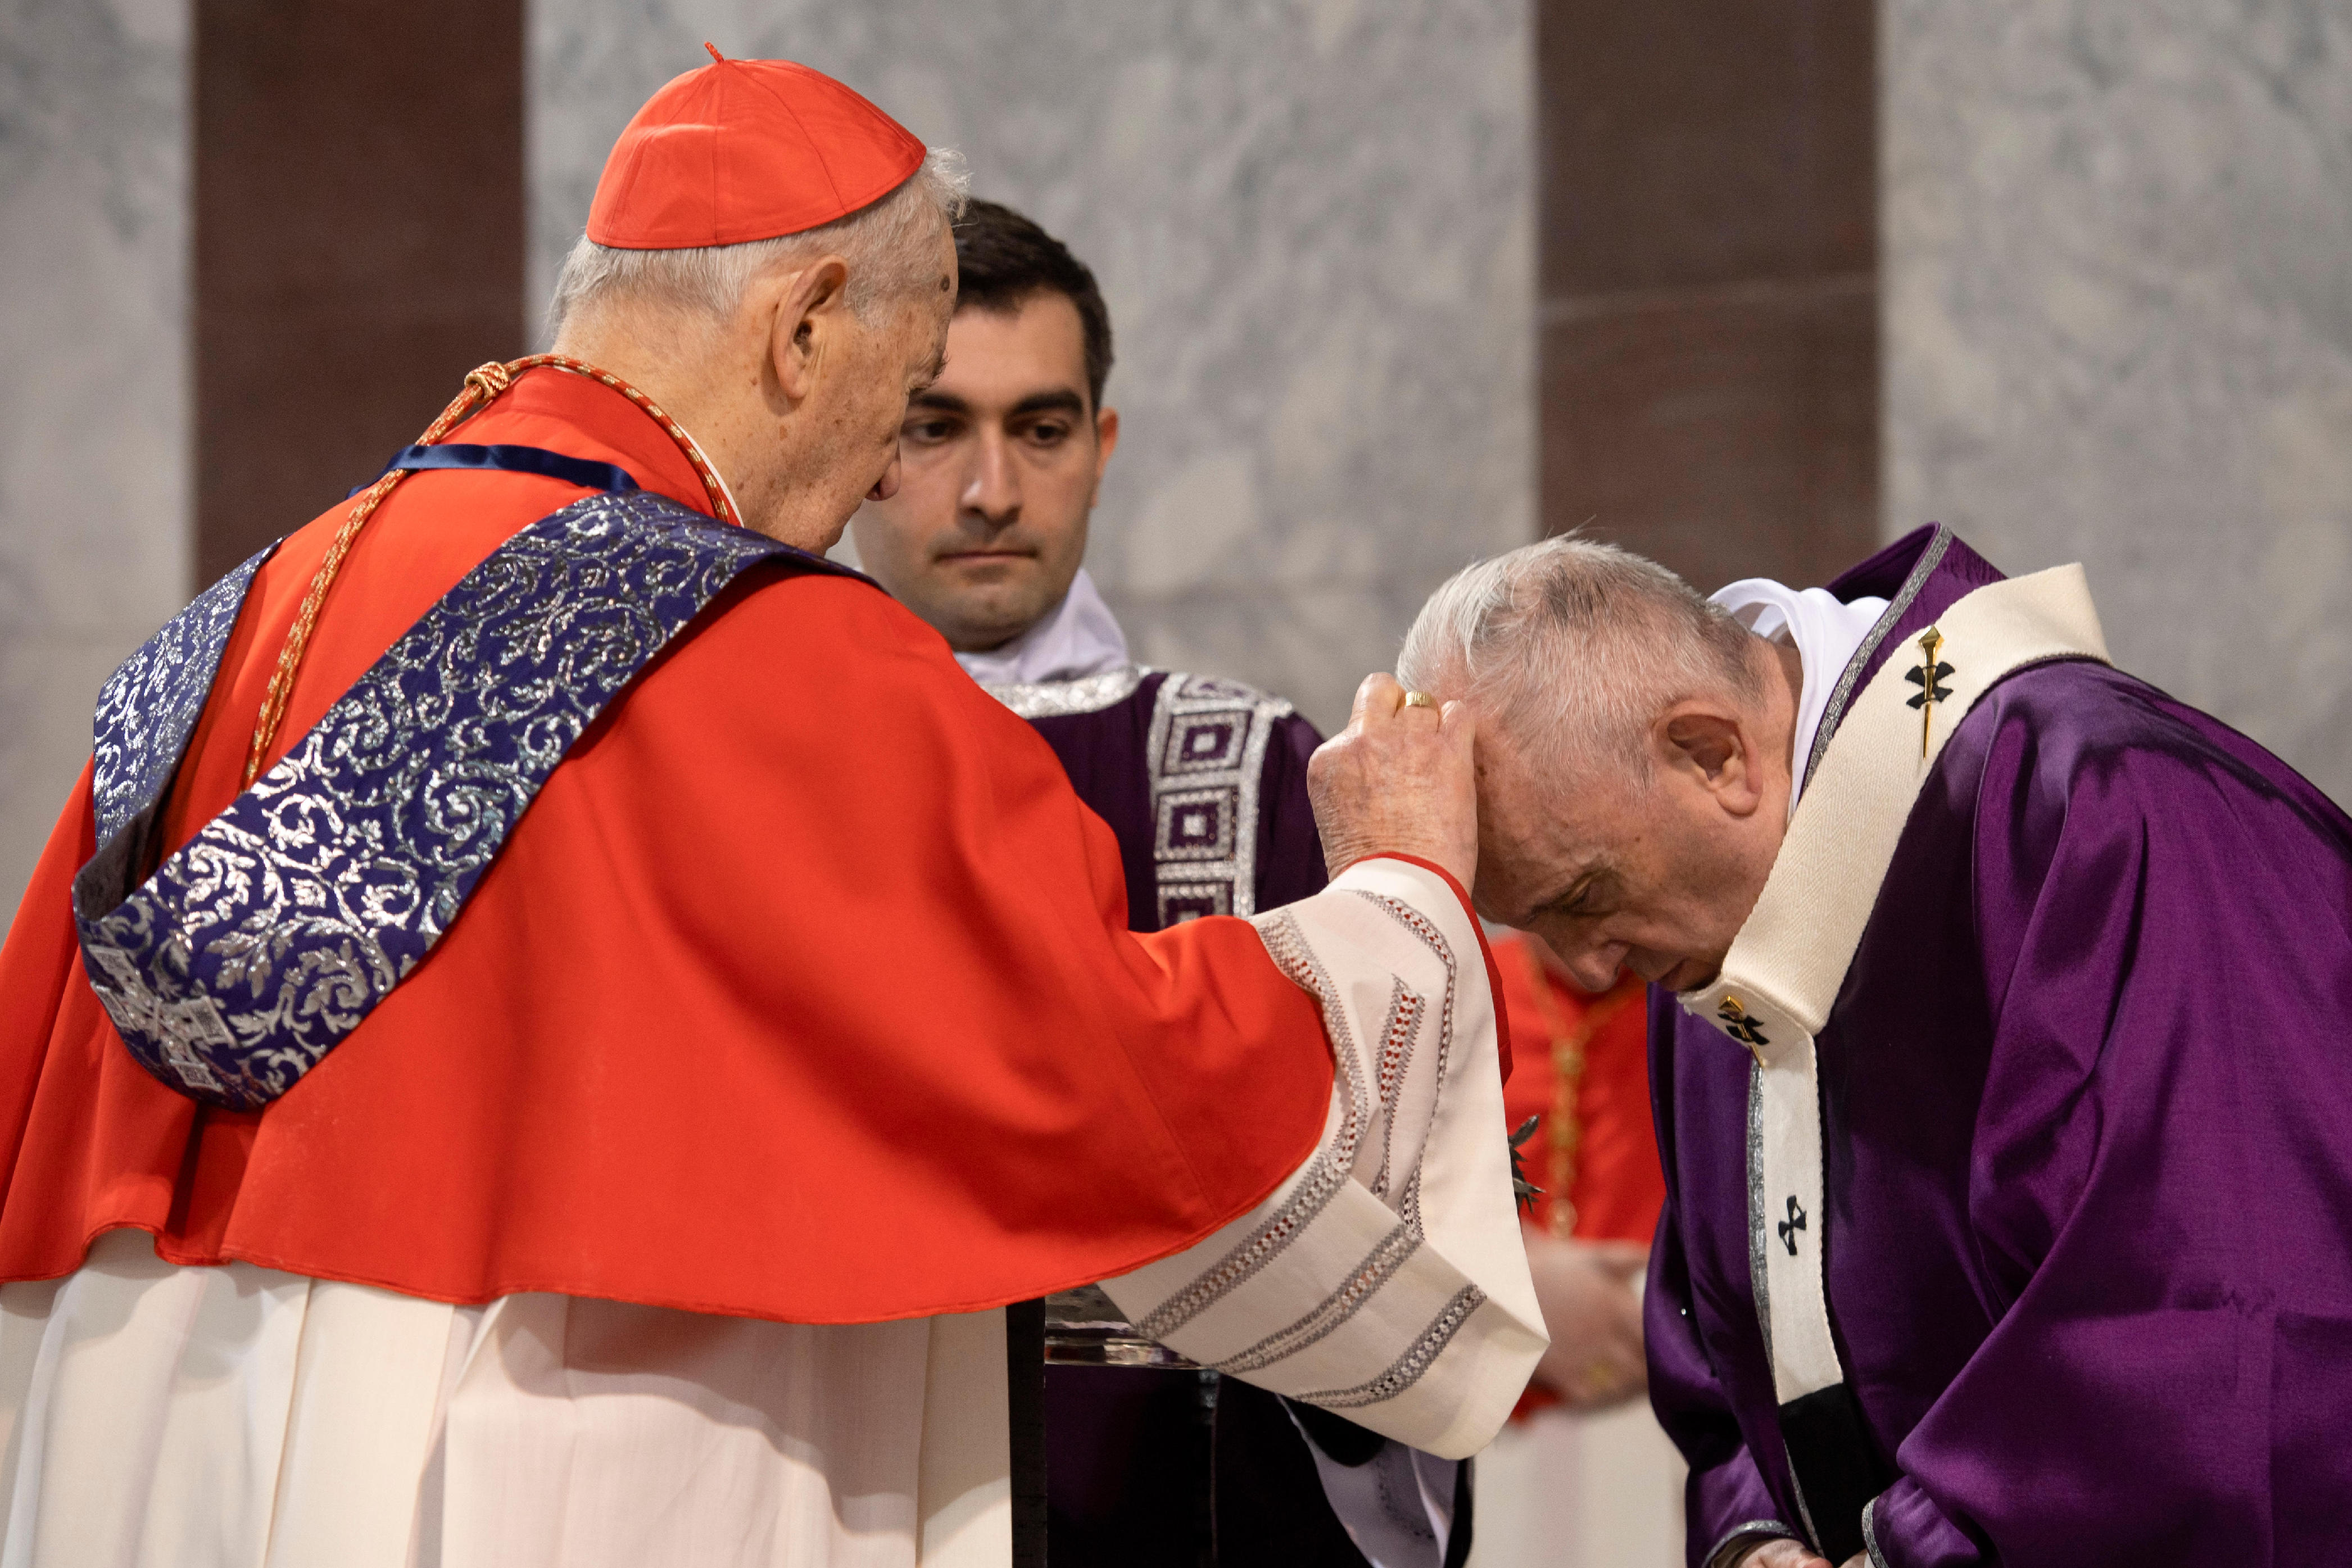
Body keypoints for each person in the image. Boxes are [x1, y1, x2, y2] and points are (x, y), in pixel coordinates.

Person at [0, 54, 1544, 1568]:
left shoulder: (245, 607)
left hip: (156, 1435)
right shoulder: (760, 642)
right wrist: (1395, 898)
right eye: (909, 386)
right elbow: (1082, 1065)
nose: (892, 471)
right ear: (806, 327)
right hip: (527, 1449)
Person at [1395, 526, 2352, 1565]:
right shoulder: (1714, 923)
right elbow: (1727, 1358)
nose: (1586, 965)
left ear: (1714, 754)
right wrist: (1751, 1540)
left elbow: (2218, 1320)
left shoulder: (2094, 809)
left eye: (1583, 897)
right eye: (1535, 923)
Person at [850, 198, 1466, 1568]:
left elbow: (1402, 1231)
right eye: (932, 425)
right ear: (849, 439)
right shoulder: (751, 784)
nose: (991, 490)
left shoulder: (1264, 776)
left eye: (1042, 428)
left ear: (1103, 447)